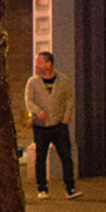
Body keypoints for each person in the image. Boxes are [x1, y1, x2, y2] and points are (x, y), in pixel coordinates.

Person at [26, 50, 78, 199]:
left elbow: (69, 99)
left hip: (59, 124)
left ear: (49, 64)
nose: (37, 66)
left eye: (40, 63)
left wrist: (66, 118)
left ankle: (70, 187)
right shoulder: (33, 82)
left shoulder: (63, 81)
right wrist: (37, 111)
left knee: (66, 156)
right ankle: (42, 188)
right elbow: (29, 100)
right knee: (40, 156)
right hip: (41, 126)